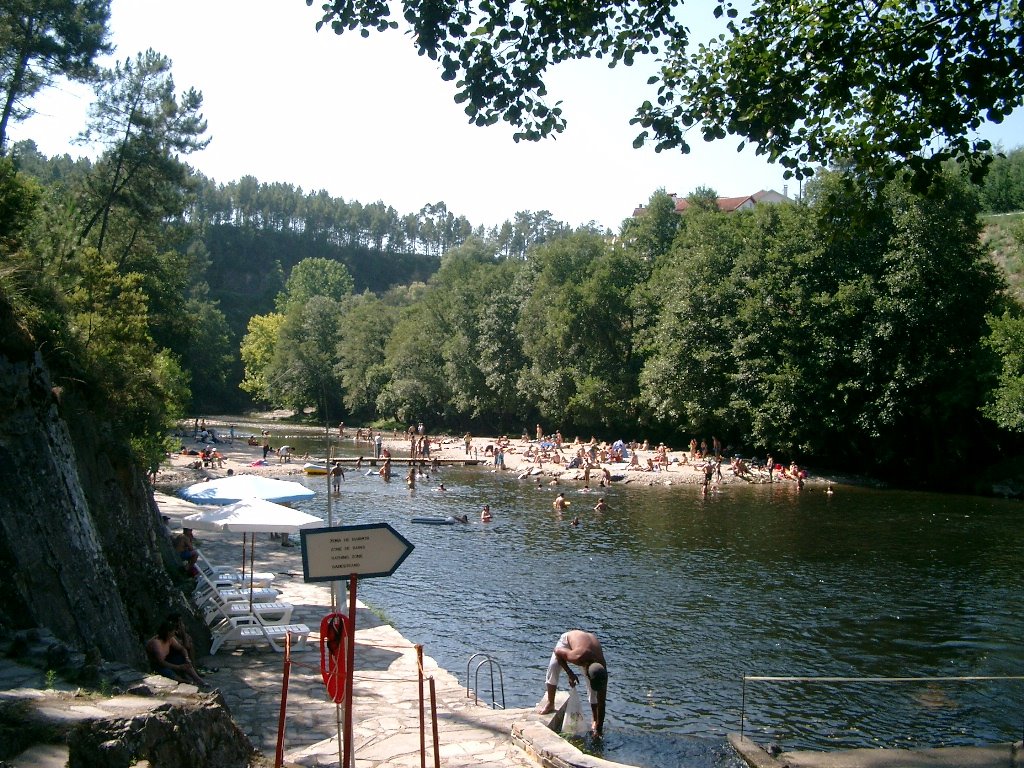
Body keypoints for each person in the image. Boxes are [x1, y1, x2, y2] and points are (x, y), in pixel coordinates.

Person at [537, 629, 608, 736]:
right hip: (568, 642)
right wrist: (570, 673)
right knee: (553, 666)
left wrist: (599, 728)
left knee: (594, 693)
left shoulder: (602, 672)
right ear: (587, 673)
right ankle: (550, 703)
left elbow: (602, 702)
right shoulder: (578, 656)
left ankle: (594, 720)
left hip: (588, 646)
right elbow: (557, 651)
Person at [146, 619, 205, 686]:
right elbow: (161, 662)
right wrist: (178, 667)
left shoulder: (170, 638)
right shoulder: (156, 643)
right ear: (168, 632)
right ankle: (187, 682)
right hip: (158, 666)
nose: (175, 633)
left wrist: (187, 658)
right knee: (172, 676)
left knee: (184, 661)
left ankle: (198, 679)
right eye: (173, 631)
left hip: (167, 660)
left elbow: (182, 648)